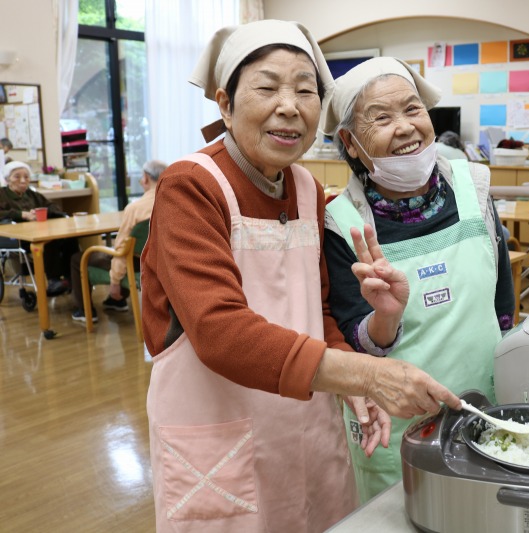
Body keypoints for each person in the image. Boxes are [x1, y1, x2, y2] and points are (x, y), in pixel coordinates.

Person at [141, 20, 461, 533]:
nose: (289, 105)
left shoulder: (309, 190)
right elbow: (219, 331)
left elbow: (319, 312)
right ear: (224, 103)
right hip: (222, 441)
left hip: (308, 432)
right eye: (267, 87)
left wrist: (354, 386)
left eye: (306, 90)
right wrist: (368, 375)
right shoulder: (190, 187)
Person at [322, 57, 516, 502]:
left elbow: (502, 306)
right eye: (382, 118)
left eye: (413, 109)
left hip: (485, 411)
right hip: (397, 431)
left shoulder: (475, 189)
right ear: (351, 143)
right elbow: (354, 344)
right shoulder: (340, 222)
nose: (406, 127)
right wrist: (384, 319)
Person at [68, 159, 166, 323]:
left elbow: (121, 250)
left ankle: (85, 311)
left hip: (136, 264)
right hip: (161, 263)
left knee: (78, 259)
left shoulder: (136, 209)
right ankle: (115, 302)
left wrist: (114, 282)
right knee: (130, 249)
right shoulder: (174, 201)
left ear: (146, 179)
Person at [0, 161, 77, 295]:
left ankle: (71, 278)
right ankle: (54, 280)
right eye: (17, 177)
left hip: (39, 232)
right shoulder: (2, 194)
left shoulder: (32, 194)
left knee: (69, 239)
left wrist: (44, 212)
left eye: (26, 177)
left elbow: (52, 206)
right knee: (48, 240)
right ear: (7, 179)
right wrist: (21, 215)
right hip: (16, 237)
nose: (23, 180)